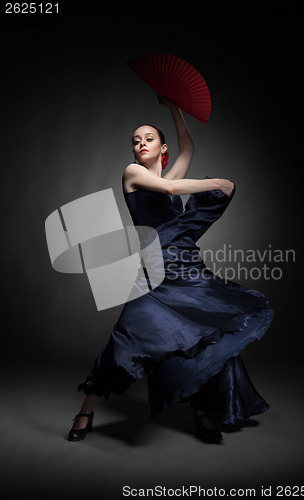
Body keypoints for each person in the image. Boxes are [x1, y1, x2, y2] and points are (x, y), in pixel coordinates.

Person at [68, 95, 274, 444]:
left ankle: (202, 411)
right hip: (153, 270)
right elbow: (171, 187)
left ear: (161, 148)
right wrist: (215, 183)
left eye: (148, 138)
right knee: (127, 338)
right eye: (136, 140)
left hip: (186, 268)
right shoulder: (132, 173)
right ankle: (85, 410)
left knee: (202, 337)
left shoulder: (168, 173)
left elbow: (188, 150)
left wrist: (174, 109)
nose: (140, 144)